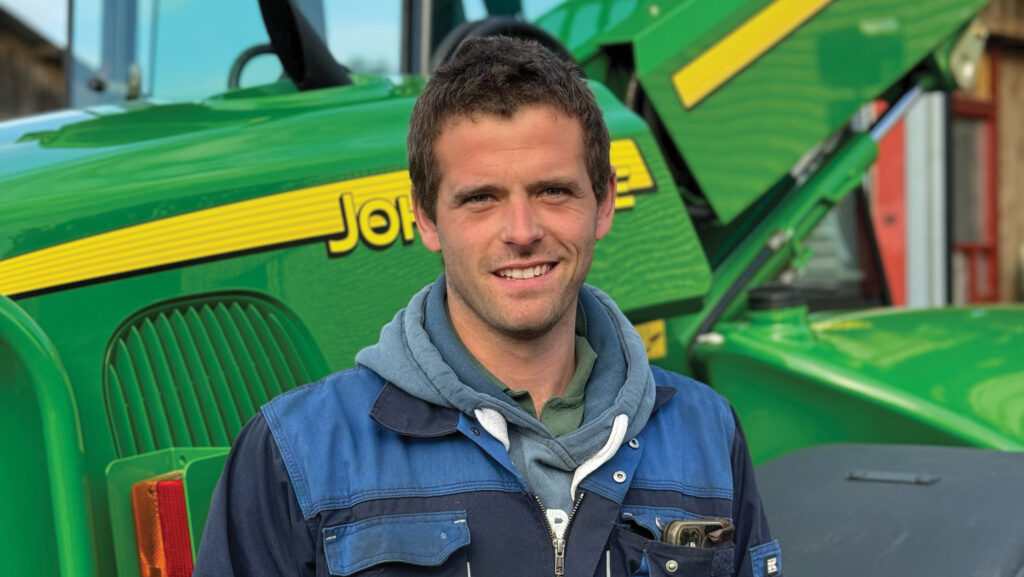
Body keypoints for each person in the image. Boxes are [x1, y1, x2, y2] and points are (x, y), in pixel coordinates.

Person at [193, 36, 780, 577]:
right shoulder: (298, 453)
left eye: (552, 190)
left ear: (603, 203)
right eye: (480, 198)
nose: (521, 231)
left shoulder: (707, 433)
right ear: (426, 218)